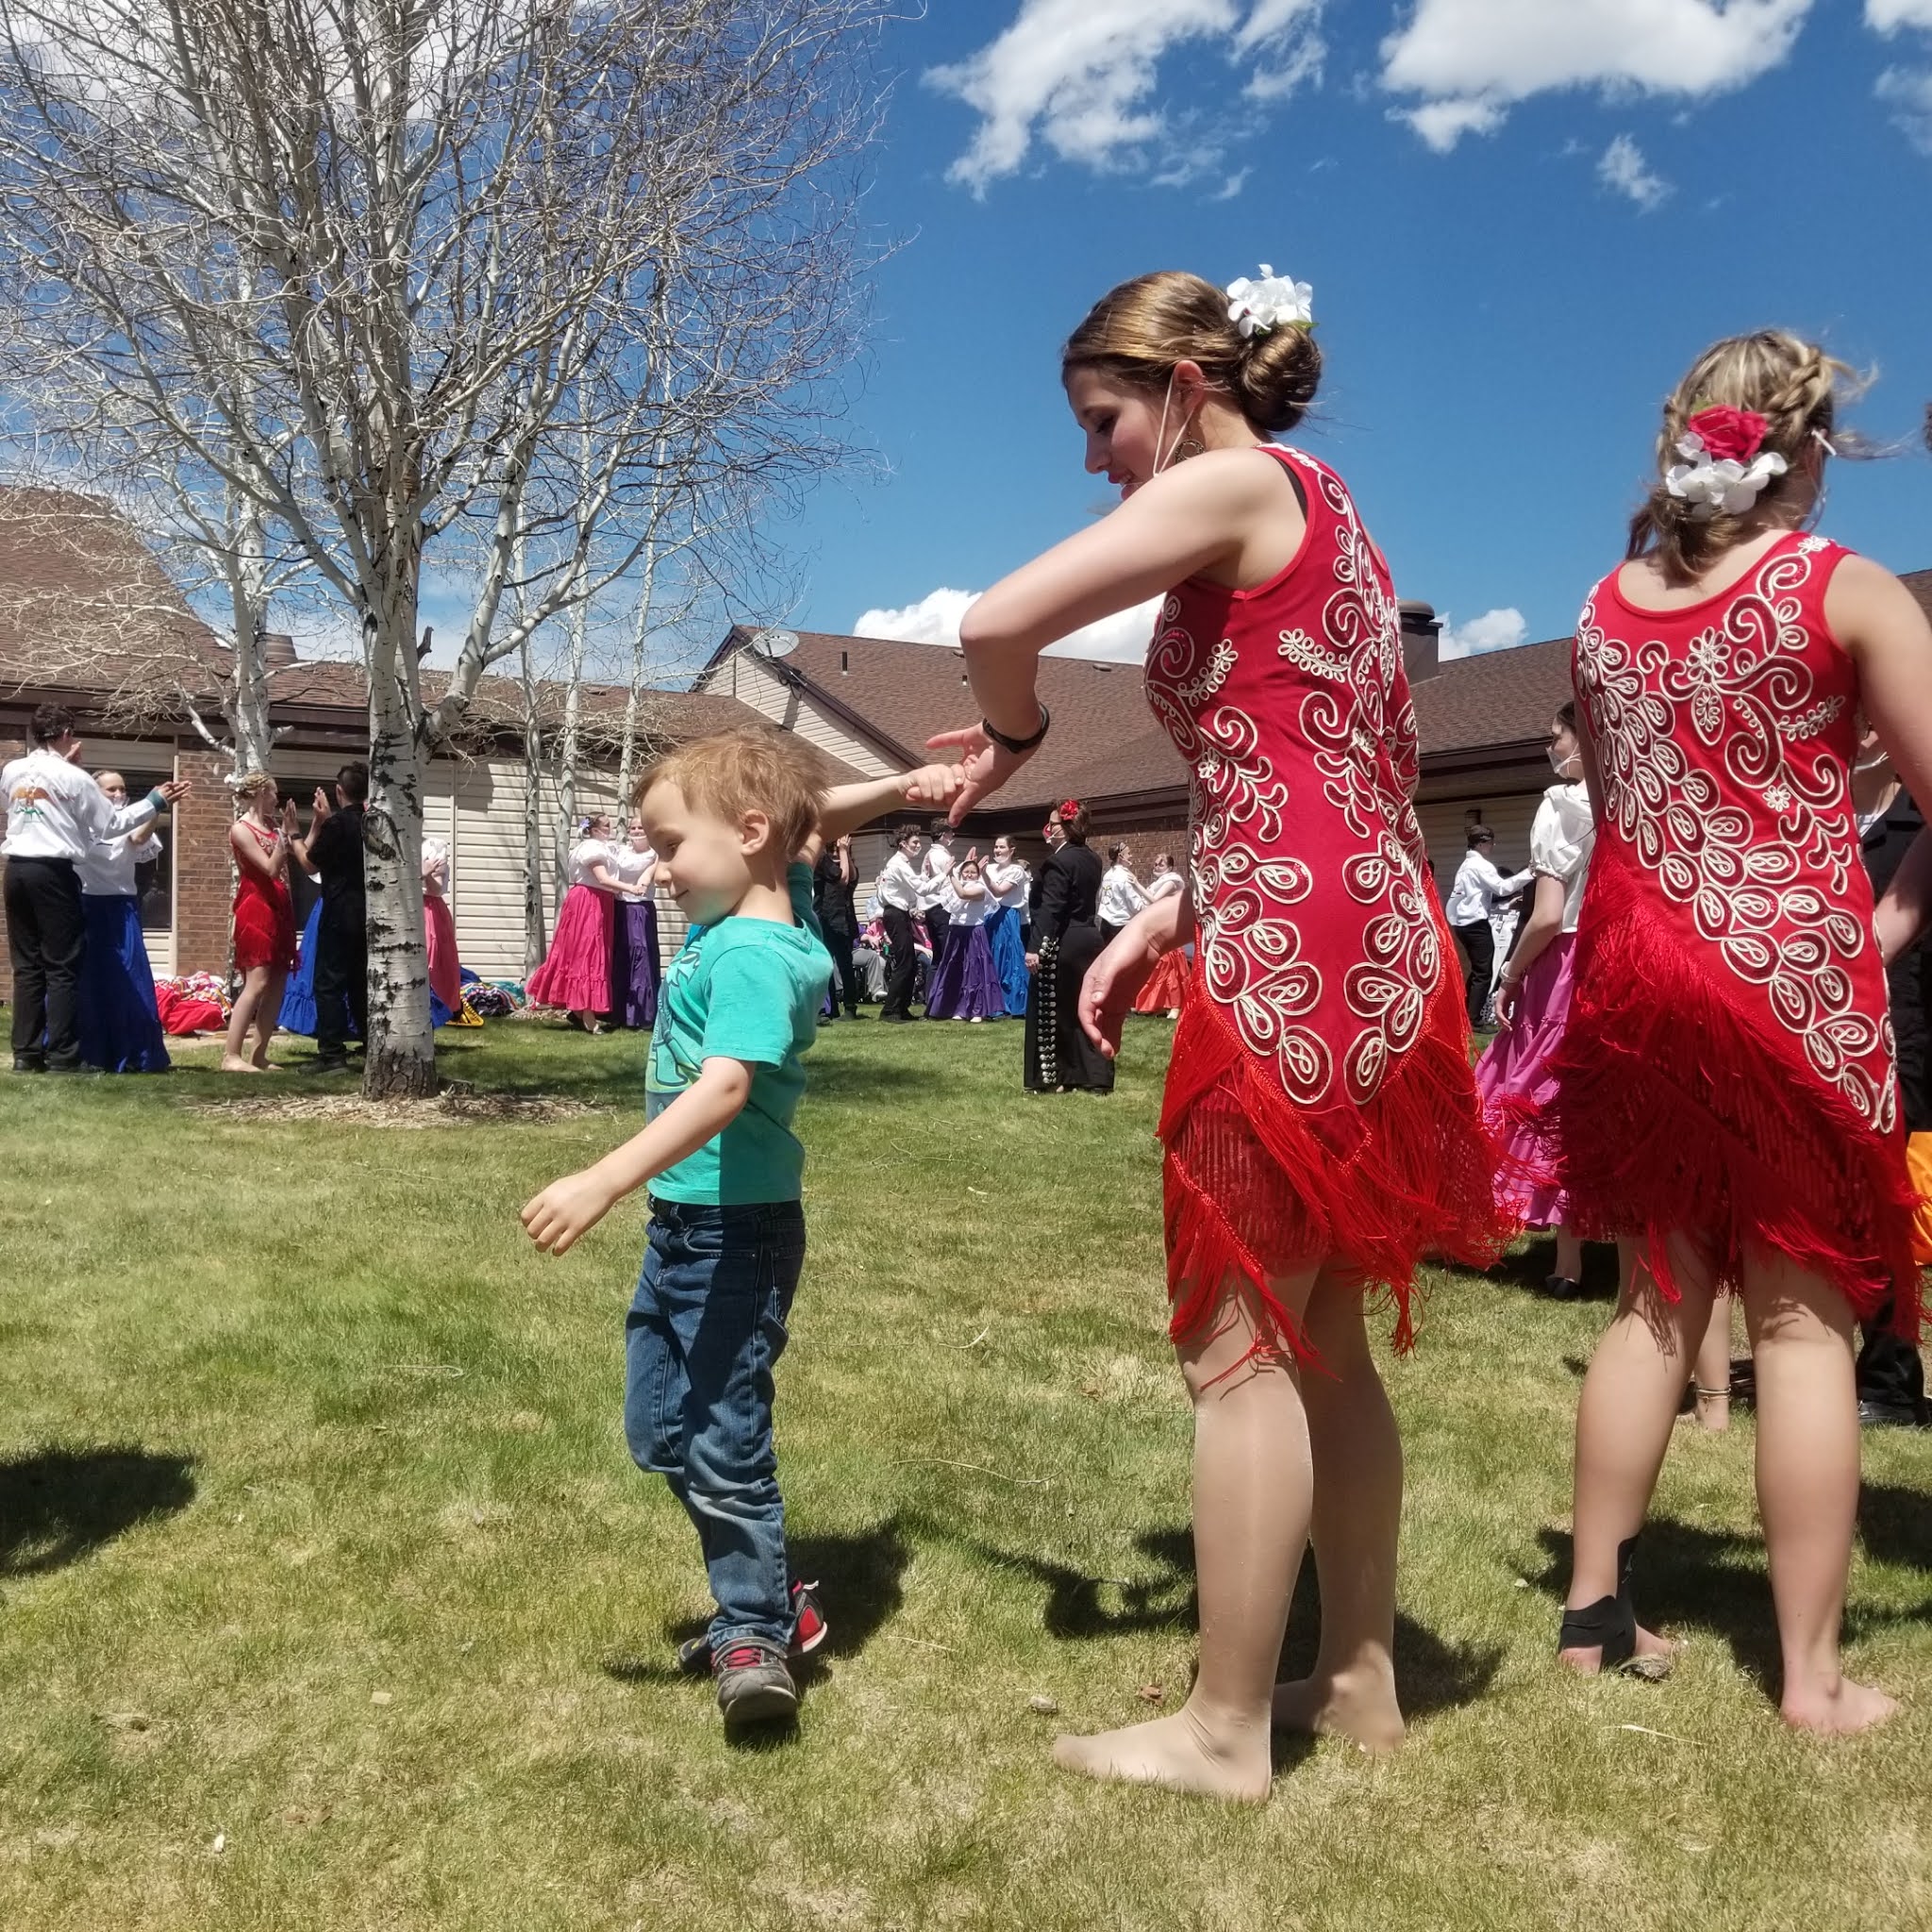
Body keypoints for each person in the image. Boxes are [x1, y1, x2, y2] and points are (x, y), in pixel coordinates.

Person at [930, 265, 1507, 1800]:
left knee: (1236, 1341)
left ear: (1185, 386)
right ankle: (1360, 1677)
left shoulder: (1237, 481)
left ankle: (1224, 1726)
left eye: (1101, 420)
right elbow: (1309, 770)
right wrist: (1159, 919)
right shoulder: (1329, 510)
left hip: (1296, 956)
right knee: (1323, 1339)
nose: (1091, 457)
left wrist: (1015, 734)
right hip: (1370, 933)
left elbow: (995, 623)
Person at [1544, 331, 1932, 1734]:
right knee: (1804, 1322)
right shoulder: (1843, 587)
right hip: (1786, 977)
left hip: (1638, 974)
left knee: (1656, 1294)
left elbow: (1623, 802)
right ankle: (1811, 1678)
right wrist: (1884, 921)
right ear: (1807, 448)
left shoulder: (1602, 608)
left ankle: (1592, 1612)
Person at [521, 729, 965, 1732]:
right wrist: (904, 783)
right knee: (659, 1431)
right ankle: (763, 1589)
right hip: (686, 1227)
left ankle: (757, 1631)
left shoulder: (758, 954)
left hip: (734, 1235)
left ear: (748, 835)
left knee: (724, 1441)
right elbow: (804, 819)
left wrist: (601, 1179)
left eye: (669, 845)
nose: (657, 869)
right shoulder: (763, 902)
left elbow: (724, 1088)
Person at [1473, 705, 1595, 1300]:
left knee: (1542, 1096)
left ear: (1580, 738)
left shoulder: (1561, 805)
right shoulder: (1639, 803)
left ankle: (1562, 1259)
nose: (1550, 748)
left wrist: (1511, 975)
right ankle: (1589, 1254)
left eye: (1555, 737)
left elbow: (1547, 915)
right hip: (1622, 959)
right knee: (1593, 1100)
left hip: (1564, 964)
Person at [3, 705, 186, 1073]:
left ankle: (26, 1053)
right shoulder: (75, 778)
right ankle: (63, 1055)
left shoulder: (12, 770)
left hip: (16, 869)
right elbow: (111, 825)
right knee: (62, 965)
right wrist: (154, 801)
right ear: (66, 734)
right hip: (52, 871)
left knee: (27, 965)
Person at [1849, 729, 1931, 1428]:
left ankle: (1890, 1381)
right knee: (1864, 1216)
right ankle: (1874, 1371)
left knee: (1899, 1218)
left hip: (1910, 1046)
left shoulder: (1917, 825)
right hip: (1841, 1045)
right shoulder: (1819, 822)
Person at [75, 771, 171, 1074]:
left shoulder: (129, 817)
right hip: (86, 905)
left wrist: (156, 806)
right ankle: (86, 1050)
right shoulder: (81, 819)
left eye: (122, 789)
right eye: (111, 789)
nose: (118, 794)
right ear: (96, 792)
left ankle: (134, 1051)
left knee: (129, 976)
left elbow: (139, 837)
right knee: (88, 979)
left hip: (121, 906)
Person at [1024, 801, 1111, 1094]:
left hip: (1064, 941)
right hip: (1090, 938)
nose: (1048, 829)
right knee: (1086, 1007)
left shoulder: (1059, 862)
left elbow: (1051, 908)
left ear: (1065, 828)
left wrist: (1035, 946)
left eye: (1053, 824)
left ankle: (1053, 1077)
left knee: (1052, 1010)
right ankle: (1094, 1075)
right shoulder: (1092, 859)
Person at [289, 762, 371, 1072]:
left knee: (329, 983)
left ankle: (332, 1053)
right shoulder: (374, 823)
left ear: (339, 791)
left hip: (338, 912)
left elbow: (309, 864)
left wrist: (294, 833)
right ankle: (371, 1043)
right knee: (361, 982)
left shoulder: (338, 825)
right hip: (368, 914)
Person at [224, 771, 297, 1073]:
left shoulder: (271, 825)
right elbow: (269, 868)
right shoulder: (241, 829)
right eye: (273, 792)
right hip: (256, 905)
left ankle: (259, 1055)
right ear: (259, 793)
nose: (277, 798)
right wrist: (283, 837)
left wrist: (310, 826)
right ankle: (231, 1055)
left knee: (277, 982)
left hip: (279, 906)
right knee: (257, 982)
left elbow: (291, 860)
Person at [525, 813, 623, 1033]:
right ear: (595, 830)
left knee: (583, 954)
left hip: (595, 900)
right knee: (588, 954)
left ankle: (579, 1010)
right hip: (590, 901)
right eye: (606, 826)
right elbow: (602, 878)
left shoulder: (599, 848)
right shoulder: (591, 849)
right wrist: (630, 889)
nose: (610, 829)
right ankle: (588, 1015)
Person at [1444, 828, 1530, 1028]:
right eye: (1491, 842)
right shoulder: (1480, 865)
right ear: (1482, 843)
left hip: (1463, 923)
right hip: (1475, 923)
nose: (1493, 846)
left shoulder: (1466, 865)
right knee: (1484, 972)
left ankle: (1465, 1014)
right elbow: (1503, 888)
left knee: (1478, 970)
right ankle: (1473, 1019)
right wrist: (1529, 873)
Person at [922, 857, 1007, 1021]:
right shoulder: (953, 888)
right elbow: (951, 898)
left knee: (975, 971)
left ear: (978, 874)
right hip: (956, 931)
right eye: (966, 872)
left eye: (973, 872)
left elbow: (963, 894)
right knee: (956, 970)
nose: (969, 875)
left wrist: (950, 874)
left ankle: (977, 1010)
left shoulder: (980, 888)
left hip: (974, 931)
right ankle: (957, 1008)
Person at [607, 818, 662, 1031]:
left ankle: (642, 1015)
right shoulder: (620, 851)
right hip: (619, 908)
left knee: (641, 958)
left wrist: (643, 882)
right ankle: (617, 1012)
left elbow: (650, 875)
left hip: (640, 909)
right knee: (620, 958)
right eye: (633, 828)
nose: (637, 831)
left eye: (641, 827)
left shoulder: (655, 854)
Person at [874, 825, 925, 1023]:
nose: (918, 846)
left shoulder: (901, 864)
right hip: (895, 914)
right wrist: (942, 875)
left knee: (910, 962)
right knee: (904, 962)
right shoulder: (898, 864)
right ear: (903, 844)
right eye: (915, 842)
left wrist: (912, 909)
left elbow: (907, 892)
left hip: (900, 913)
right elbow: (920, 887)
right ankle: (889, 1010)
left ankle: (902, 1009)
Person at [1131, 851, 1191, 1016]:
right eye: (1156, 864)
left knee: (1170, 967)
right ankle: (1161, 1004)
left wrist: (1136, 884)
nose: (1156, 866)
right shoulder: (1159, 882)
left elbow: (1154, 900)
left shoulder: (1171, 881)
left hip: (1169, 927)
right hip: (1158, 926)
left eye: (1161, 864)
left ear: (1169, 867)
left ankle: (1175, 1006)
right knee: (1159, 966)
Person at [812, 833, 862, 1021]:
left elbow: (852, 878)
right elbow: (843, 878)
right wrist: (841, 850)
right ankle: (830, 1008)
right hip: (827, 920)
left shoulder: (843, 861)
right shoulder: (822, 861)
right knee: (826, 966)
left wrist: (845, 853)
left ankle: (849, 1008)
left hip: (843, 920)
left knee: (845, 965)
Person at [982, 834, 1032, 1018]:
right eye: (996, 847)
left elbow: (999, 891)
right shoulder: (990, 868)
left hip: (1007, 915)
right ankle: (989, 1001)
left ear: (1011, 850)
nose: (997, 850)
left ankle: (1011, 1002)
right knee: (990, 955)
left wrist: (983, 875)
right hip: (989, 915)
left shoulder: (1016, 870)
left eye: (1002, 847)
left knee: (1007, 957)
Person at [423, 833, 464, 1017]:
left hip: (429, 908)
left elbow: (437, 888)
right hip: (404, 907)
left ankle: (434, 1012)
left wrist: (424, 875)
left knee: (430, 960)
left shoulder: (433, 847)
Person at [1097, 840, 1150, 943]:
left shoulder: (1107, 875)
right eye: (1128, 853)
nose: (1131, 856)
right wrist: (1150, 905)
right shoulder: (1125, 877)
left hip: (1105, 926)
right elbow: (1136, 906)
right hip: (1121, 928)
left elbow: (1101, 897)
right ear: (1121, 856)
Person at [921, 819, 956, 968]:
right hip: (941, 906)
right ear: (943, 835)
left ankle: (934, 983)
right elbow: (947, 883)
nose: (952, 836)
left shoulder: (931, 854)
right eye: (950, 833)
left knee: (938, 955)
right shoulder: (941, 856)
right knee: (946, 953)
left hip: (931, 906)